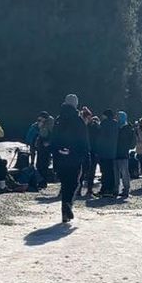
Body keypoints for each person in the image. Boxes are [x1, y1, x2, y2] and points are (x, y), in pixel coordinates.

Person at [51, 94, 89, 224]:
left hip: (60, 157)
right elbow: (83, 140)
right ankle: (67, 204)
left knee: (65, 183)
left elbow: (53, 139)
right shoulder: (78, 120)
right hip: (74, 157)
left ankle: (65, 212)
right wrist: (85, 157)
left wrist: (56, 153)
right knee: (74, 183)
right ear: (76, 104)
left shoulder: (58, 119)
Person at [95, 110, 119, 197]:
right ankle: (111, 189)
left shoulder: (104, 123)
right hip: (112, 151)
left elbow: (100, 137)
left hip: (104, 152)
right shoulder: (116, 124)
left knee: (105, 172)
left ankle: (104, 190)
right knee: (111, 171)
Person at [115, 111, 135, 198]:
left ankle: (126, 189)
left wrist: (127, 147)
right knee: (116, 173)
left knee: (124, 173)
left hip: (123, 153)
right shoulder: (116, 127)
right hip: (116, 153)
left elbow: (133, 142)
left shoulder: (128, 128)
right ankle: (116, 189)